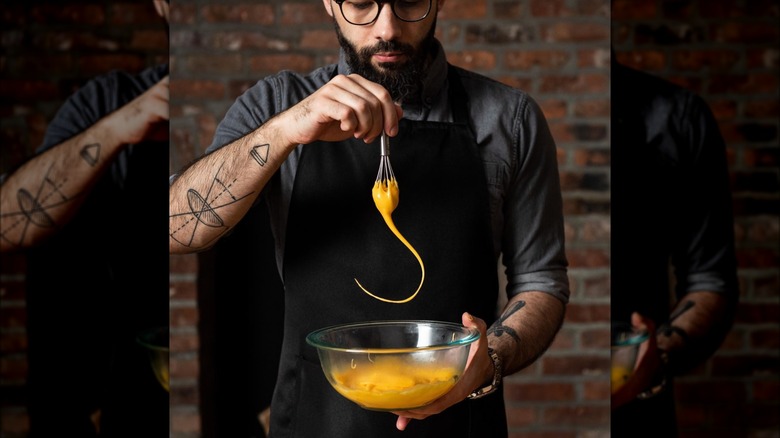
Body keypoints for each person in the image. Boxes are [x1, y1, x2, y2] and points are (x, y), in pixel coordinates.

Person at [169, 0, 569, 436]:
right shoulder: (277, 103)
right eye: (361, 4)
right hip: (316, 418)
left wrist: (489, 358)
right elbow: (177, 230)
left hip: (460, 420)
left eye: (410, 3)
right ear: (329, 4)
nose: (388, 28)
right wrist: (287, 129)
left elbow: (541, 281)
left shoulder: (510, 119)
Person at [0, 1, 170, 436]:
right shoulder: (107, 101)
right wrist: (120, 127)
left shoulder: (266, 104)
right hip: (109, 400)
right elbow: (6, 225)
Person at [610, 55, 740, 436]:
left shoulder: (678, 117)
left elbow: (710, 280)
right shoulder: (506, 114)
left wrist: (657, 356)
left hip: (638, 405)